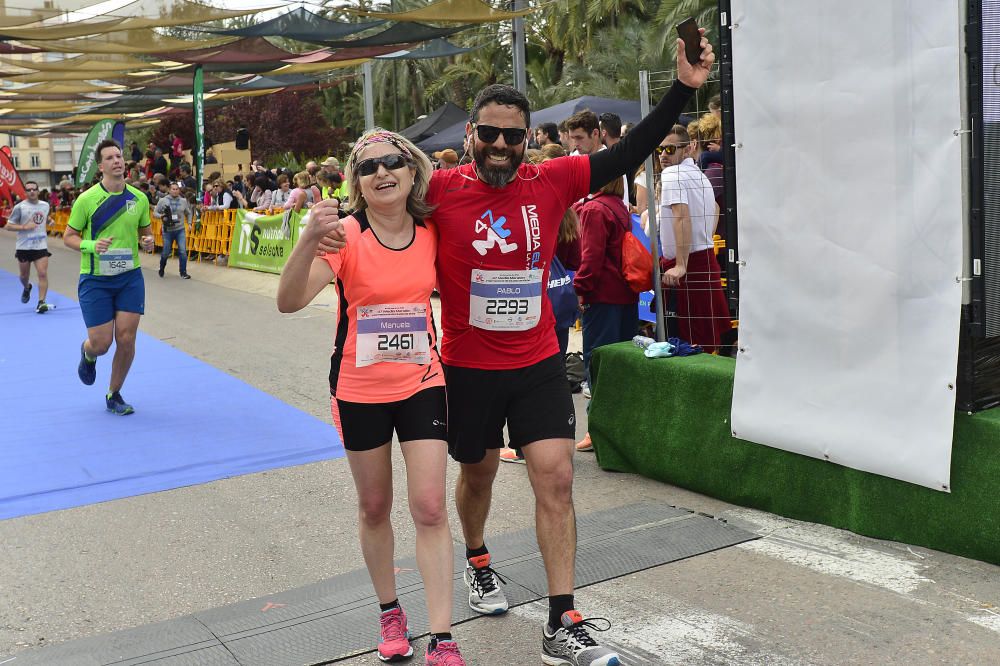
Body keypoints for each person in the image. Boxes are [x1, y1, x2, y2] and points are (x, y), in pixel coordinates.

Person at [318, 29, 714, 666]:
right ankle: (477, 557)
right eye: (489, 134)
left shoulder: (553, 180)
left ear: (528, 139)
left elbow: (630, 151)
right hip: (467, 371)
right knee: (476, 474)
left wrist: (682, 91)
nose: (500, 145)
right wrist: (334, 229)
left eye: (513, 135)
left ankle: (563, 619)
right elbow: (382, 199)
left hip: (537, 364)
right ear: (470, 135)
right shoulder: (438, 192)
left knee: (555, 480)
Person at [277, 129, 467, 666]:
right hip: (359, 389)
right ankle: (390, 611)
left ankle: (442, 637)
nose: (381, 173)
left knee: (430, 506)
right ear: (357, 183)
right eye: (368, 167)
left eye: (392, 163)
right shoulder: (345, 235)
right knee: (375, 504)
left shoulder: (433, 231)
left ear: (412, 172)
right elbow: (288, 302)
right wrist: (308, 239)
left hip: (422, 382)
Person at [63, 139, 155, 415]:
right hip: (96, 280)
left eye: (119, 156)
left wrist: (148, 242)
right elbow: (69, 237)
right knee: (102, 344)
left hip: (129, 278)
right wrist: (92, 246)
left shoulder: (138, 198)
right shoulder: (87, 200)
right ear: (101, 166)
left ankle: (114, 394)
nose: (117, 161)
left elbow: (145, 233)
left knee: (126, 339)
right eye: (111, 158)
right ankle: (88, 353)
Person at [571, 175, 638, 452]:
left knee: (598, 365)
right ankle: (619, 431)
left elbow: (590, 258)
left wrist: (579, 289)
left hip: (602, 297)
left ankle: (598, 432)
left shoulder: (595, 209)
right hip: (625, 294)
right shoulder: (619, 206)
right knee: (619, 365)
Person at [657, 124, 730, 352]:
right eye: (659, 150)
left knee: (686, 348)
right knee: (704, 345)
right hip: (704, 261)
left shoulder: (672, 174)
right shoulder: (699, 175)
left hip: (689, 268)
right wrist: (704, 237)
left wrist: (681, 264)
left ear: (688, 148)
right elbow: (715, 208)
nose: (663, 156)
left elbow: (681, 216)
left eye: (670, 150)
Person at [5, 180, 54, 313]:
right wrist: (24, 227)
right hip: (23, 247)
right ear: (25, 192)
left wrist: (50, 221)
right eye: (29, 190)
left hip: (40, 246)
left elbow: (44, 217)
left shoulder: (45, 205)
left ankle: (41, 302)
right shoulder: (20, 207)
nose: (32, 191)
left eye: (34, 189)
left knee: (42, 273)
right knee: (23, 276)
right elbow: (8, 225)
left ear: (38, 191)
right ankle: (27, 287)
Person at [155, 182, 193, 279]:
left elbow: (188, 213)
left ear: (179, 190)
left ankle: (183, 272)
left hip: (180, 229)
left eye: (177, 189)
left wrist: (189, 223)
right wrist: (161, 216)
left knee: (182, 251)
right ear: (169, 190)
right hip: (167, 230)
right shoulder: (163, 200)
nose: (175, 191)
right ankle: (162, 267)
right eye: (173, 189)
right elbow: (155, 213)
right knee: (166, 252)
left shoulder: (183, 201)